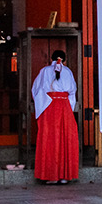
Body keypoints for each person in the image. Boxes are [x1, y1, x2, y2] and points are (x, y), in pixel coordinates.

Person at [31, 50, 78, 184]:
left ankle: (50, 176)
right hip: (64, 107)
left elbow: (37, 89)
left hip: (48, 106)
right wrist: (70, 107)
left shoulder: (45, 71)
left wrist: (42, 104)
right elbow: (72, 91)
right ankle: (64, 176)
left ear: (51, 59)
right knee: (65, 139)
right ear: (64, 60)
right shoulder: (68, 71)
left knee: (49, 139)